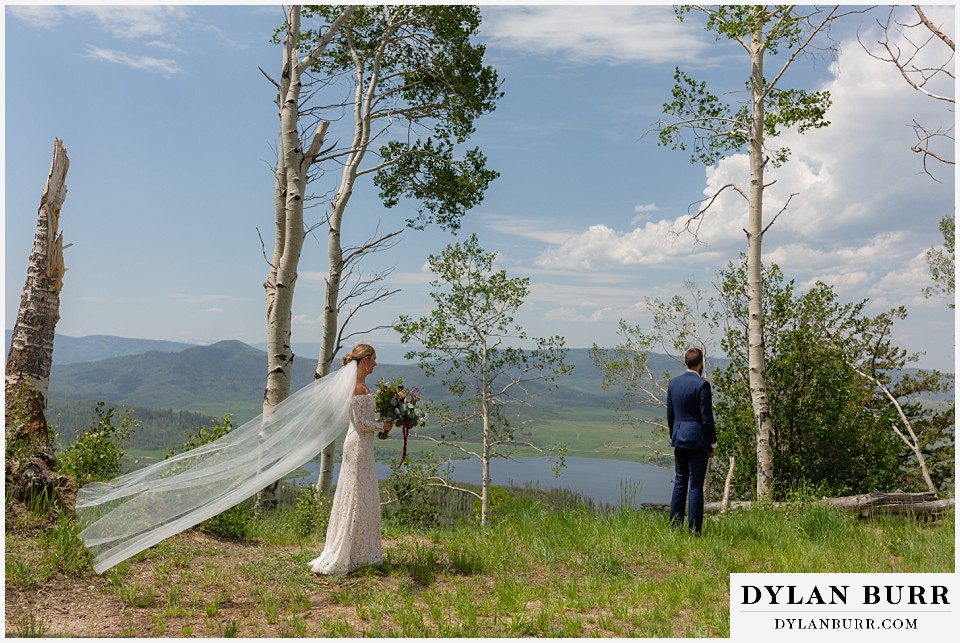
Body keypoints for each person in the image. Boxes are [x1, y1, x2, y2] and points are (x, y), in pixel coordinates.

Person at [309, 344, 393, 575]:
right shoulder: (358, 387)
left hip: (361, 446)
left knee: (361, 494)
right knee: (357, 495)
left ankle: (360, 552)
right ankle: (351, 553)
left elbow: (362, 419)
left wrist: (380, 420)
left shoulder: (360, 386)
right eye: (374, 358)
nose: (376, 363)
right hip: (358, 445)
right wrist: (382, 425)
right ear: (365, 360)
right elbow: (361, 423)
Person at [666, 347, 717, 534]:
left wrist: (674, 435)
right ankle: (694, 530)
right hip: (697, 441)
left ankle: (674, 526)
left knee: (680, 482)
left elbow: (670, 414)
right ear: (701, 363)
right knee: (695, 485)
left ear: (685, 362)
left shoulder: (674, 383)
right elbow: (706, 418)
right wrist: (713, 443)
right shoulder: (702, 385)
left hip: (679, 438)